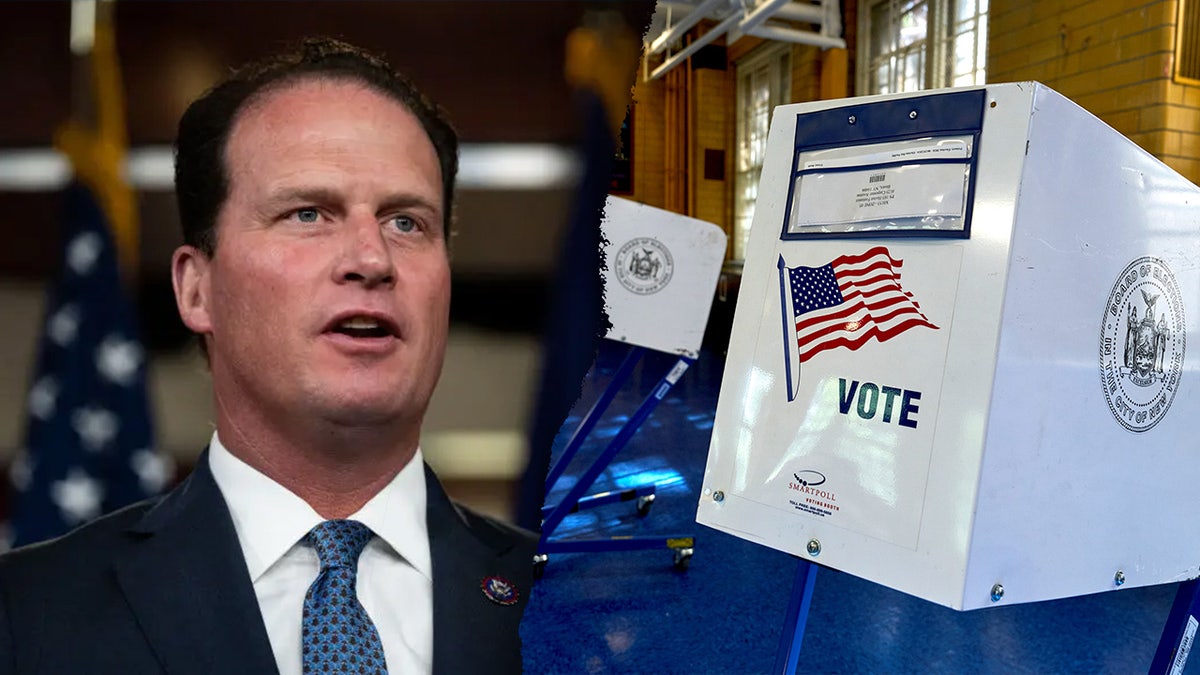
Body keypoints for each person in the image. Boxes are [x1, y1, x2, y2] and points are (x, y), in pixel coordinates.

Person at [0, 37, 537, 674]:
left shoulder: (595, 607)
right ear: (197, 290)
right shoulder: (25, 616)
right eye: (308, 213)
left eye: (405, 223)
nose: (371, 259)